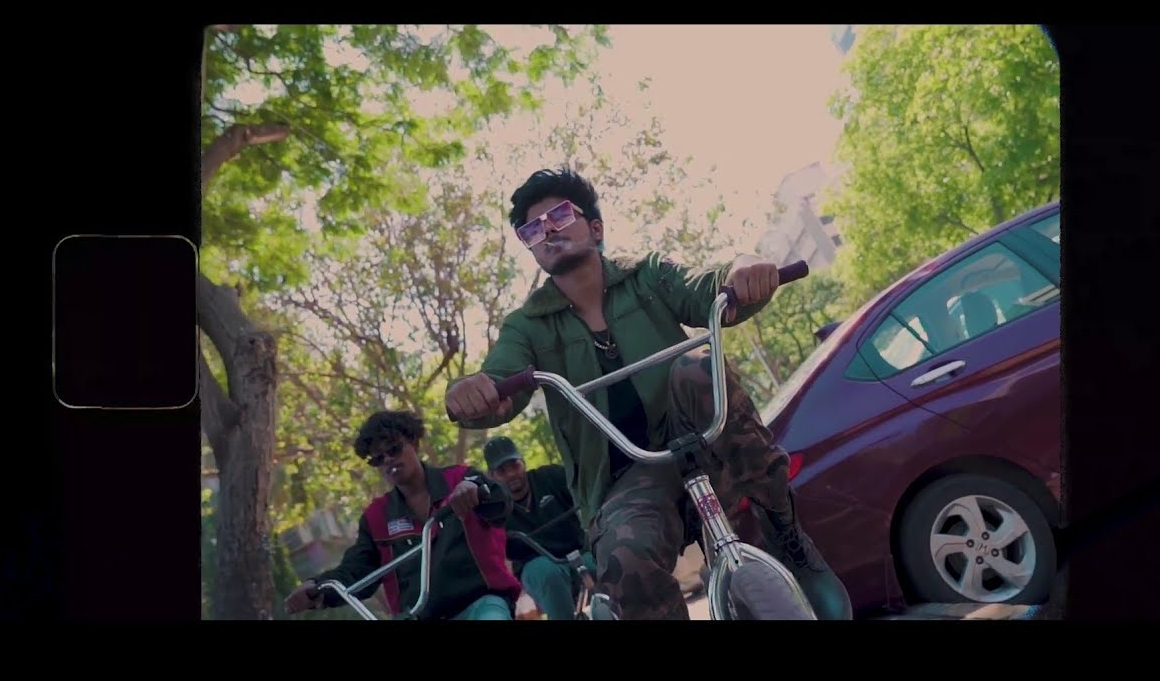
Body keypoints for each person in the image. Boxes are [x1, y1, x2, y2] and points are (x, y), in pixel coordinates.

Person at [444, 168, 853, 620]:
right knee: (625, 559)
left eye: (559, 216)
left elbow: (708, 286)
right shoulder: (527, 326)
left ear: (595, 228)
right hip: (626, 483)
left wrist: (743, 267)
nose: (549, 232)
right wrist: (473, 391)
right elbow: (499, 379)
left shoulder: (648, 275)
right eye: (533, 230)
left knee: (697, 366)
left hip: (702, 442)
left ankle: (787, 534)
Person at [284, 409, 523, 620]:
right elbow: (356, 570)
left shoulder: (459, 479)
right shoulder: (376, 517)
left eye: (394, 449)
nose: (388, 460)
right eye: (378, 458)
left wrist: (475, 489)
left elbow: (501, 502)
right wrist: (317, 587)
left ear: (415, 443)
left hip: (480, 604)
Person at [483, 435, 594, 620]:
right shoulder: (494, 509)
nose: (511, 474)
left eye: (514, 465)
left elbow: (586, 488)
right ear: (492, 476)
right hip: (537, 568)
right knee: (547, 573)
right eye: (502, 471)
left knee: (607, 562)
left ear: (523, 463)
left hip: (580, 553)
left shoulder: (550, 476)